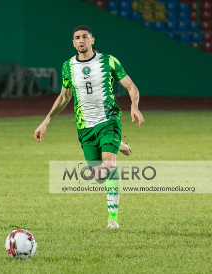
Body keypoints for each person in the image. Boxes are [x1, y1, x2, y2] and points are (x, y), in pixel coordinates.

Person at [34, 25, 144, 229]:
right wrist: (46, 120)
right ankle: (116, 143)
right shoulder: (68, 66)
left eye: (85, 37)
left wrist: (134, 105)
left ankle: (113, 218)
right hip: (85, 127)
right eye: (77, 38)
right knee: (100, 176)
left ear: (92, 40)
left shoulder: (108, 61)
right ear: (73, 43)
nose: (81, 40)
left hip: (108, 120)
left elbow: (131, 86)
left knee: (110, 167)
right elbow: (64, 97)